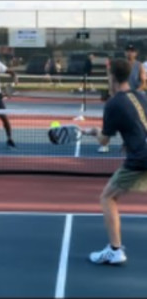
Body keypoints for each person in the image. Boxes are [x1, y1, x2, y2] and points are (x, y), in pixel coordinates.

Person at [86, 58, 147, 264]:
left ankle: (115, 250)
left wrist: (93, 131)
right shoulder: (142, 96)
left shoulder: (113, 103)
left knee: (107, 198)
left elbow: (104, 139)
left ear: (111, 77)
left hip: (141, 158)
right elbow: (138, 124)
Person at [98, 44, 146, 153]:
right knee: (110, 121)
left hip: (133, 100)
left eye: (132, 51)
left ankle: (127, 144)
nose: (130, 53)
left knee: (134, 123)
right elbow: (111, 81)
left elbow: (143, 83)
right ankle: (106, 144)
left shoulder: (139, 66)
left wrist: (134, 94)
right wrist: (113, 94)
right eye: (128, 50)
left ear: (136, 53)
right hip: (120, 98)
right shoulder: (120, 66)